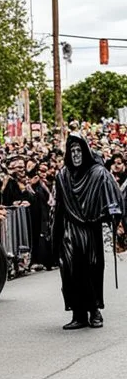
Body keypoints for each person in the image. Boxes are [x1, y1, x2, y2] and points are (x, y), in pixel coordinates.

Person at [53, 134, 118, 329]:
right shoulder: (62, 176)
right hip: (69, 231)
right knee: (71, 272)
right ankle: (78, 313)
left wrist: (113, 214)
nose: (75, 154)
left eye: (78, 150)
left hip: (90, 229)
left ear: (86, 151)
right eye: (72, 151)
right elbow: (59, 207)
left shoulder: (98, 173)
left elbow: (111, 197)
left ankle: (94, 310)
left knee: (91, 269)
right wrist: (55, 235)